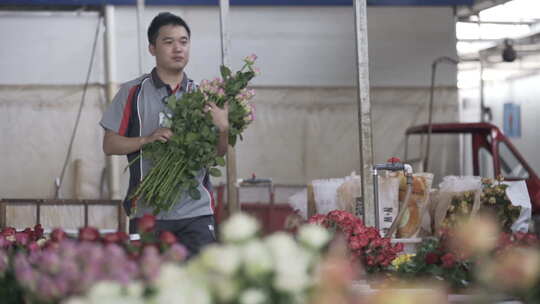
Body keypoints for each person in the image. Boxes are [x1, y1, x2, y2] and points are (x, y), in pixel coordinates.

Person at [99, 12, 228, 256]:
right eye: (168, 42)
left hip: (196, 213)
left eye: (184, 41)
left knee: (201, 284)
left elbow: (215, 154)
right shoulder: (132, 92)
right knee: (151, 284)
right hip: (148, 210)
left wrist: (223, 129)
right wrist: (146, 140)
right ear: (152, 48)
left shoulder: (203, 96)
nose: (178, 48)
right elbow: (109, 144)